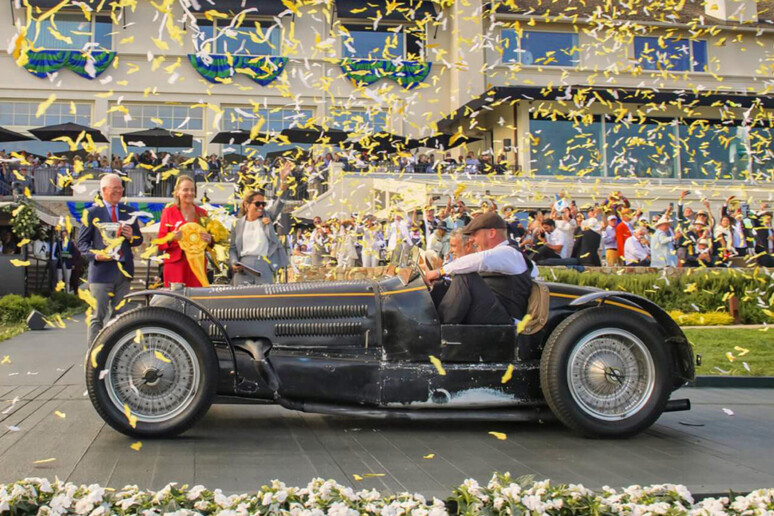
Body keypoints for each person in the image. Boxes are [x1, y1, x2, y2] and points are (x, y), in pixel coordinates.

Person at [424, 213, 536, 324]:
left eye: (474, 234)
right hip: (491, 311)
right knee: (441, 286)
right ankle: (427, 320)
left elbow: (480, 260)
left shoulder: (509, 253)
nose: (471, 240)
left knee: (465, 277)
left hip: (506, 320)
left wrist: (440, 272)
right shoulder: (501, 255)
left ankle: (439, 331)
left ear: (492, 233)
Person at [77, 173, 142, 345]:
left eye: (120, 188)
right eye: (115, 188)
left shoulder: (129, 212)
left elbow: (139, 239)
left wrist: (131, 236)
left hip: (123, 272)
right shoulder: (91, 212)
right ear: (104, 190)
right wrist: (96, 255)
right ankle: (93, 358)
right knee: (97, 316)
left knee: (120, 318)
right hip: (100, 273)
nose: (119, 191)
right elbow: (82, 244)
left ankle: (114, 353)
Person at [229, 162, 291, 285]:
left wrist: (283, 180)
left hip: (263, 266)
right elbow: (232, 249)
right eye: (257, 204)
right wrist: (234, 262)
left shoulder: (268, 217)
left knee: (265, 302)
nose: (261, 206)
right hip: (243, 268)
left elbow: (281, 201)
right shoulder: (237, 224)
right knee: (242, 302)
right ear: (247, 205)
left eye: (263, 204)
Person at [157, 176, 212, 288]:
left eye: (192, 190)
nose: (190, 193)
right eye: (185, 190)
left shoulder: (203, 213)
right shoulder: (168, 212)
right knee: (174, 302)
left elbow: (210, 243)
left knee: (196, 300)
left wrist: (210, 240)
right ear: (177, 192)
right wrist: (172, 237)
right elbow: (160, 243)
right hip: (174, 265)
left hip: (197, 266)